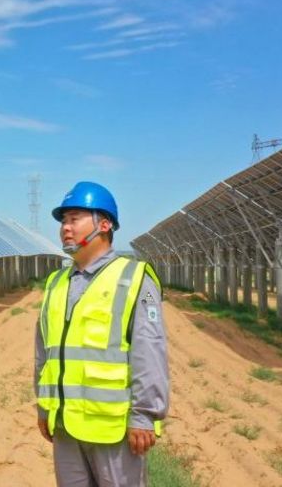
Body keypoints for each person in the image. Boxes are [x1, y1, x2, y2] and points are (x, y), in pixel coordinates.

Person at [34, 181, 169, 486]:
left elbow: (149, 351)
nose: (65, 227)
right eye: (63, 221)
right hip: (65, 424)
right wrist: (44, 406)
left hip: (113, 429)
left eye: (74, 219)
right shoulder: (56, 283)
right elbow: (44, 353)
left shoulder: (133, 278)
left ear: (104, 225)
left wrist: (144, 415)